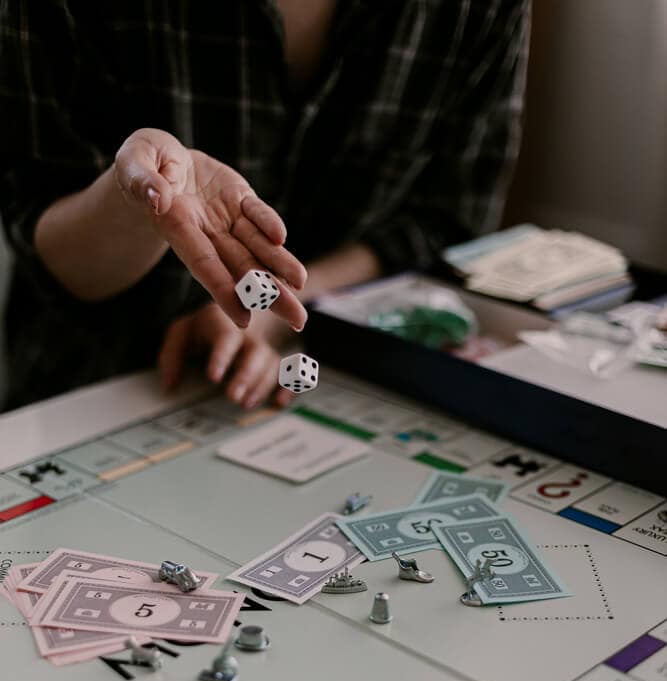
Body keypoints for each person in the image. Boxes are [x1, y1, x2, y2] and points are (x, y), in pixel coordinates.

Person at [0, 0, 530, 412]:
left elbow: (449, 220)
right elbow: (54, 258)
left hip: (339, 385)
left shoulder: (477, 10)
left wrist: (272, 315)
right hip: (79, 391)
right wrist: (139, 199)